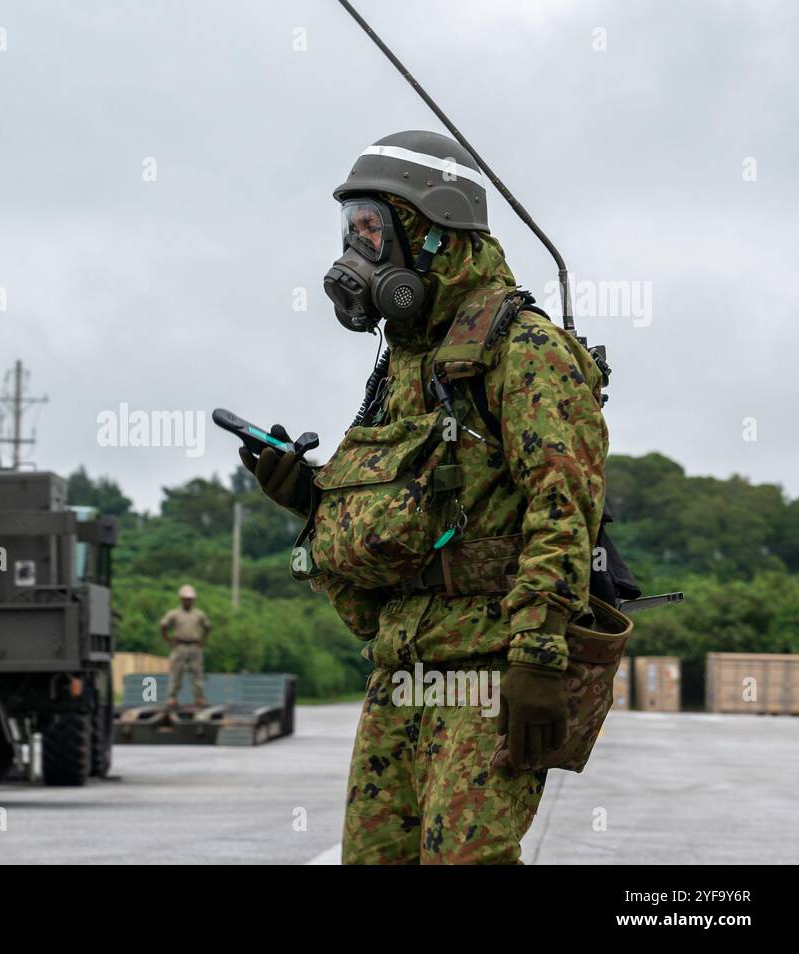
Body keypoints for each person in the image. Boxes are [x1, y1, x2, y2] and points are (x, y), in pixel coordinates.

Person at [242, 131, 607, 864]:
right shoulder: (406, 363)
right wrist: (304, 498)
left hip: (488, 671)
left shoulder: (521, 348)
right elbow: (401, 514)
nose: (358, 250)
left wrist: (538, 655)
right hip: (401, 670)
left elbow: (563, 508)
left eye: (372, 228)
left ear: (433, 233)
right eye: (352, 231)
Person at [159, 585, 210, 708]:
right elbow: (163, 625)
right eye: (186, 598)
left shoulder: (199, 614)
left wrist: (203, 640)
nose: (188, 601)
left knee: (197, 673)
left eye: (190, 599)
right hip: (180, 645)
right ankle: (172, 697)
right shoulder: (174, 613)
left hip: (194, 645)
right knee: (176, 672)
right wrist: (168, 639)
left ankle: (199, 698)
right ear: (181, 599)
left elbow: (207, 626)